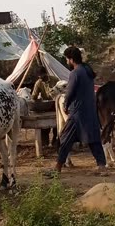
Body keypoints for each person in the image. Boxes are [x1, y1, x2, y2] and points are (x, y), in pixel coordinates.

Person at [44, 46, 106, 176]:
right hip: (90, 110)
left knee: (65, 139)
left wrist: (66, 105)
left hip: (77, 112)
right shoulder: (88, 70)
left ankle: (57, 168)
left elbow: (70, 92)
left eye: (67, 59)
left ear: (71, 59)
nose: (67, 61)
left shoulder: (75, 73)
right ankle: (102, 166)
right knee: (93, 138)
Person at [32, 72, 60, 148]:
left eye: (42, 76)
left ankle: (55, 142)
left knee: (57, 126)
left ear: (46, 74)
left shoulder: (55, 80)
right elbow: (34, 95)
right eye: (40, 77)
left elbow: (60, 91)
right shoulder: (39, 82)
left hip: (55, 104)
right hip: (46, 106)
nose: (41, 78)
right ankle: (45, 144)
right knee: (44, 127)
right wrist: (36, 99)